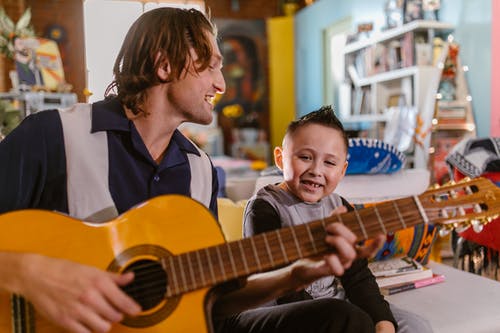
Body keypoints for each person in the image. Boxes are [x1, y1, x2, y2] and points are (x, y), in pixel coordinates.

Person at [0, 8, 379, 333]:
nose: (221, 83)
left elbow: (215, 299)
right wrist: (28, 272)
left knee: (341, 319)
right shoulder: (53, 136)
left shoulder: (200, 169)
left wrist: (296, 274)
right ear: (165, 65)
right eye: (210, 66)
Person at [223, 106, 434, 333]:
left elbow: (358, 275)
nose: (316, 170)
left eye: (329, 163)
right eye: (305, 157)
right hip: (283, 308)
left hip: (335, 302)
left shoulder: (340, 206)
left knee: (414, 326)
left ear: (342, 171)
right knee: (352, 320)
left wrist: (383, 322)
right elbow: (283, 289)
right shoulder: (265, 208)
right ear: (280, 159)